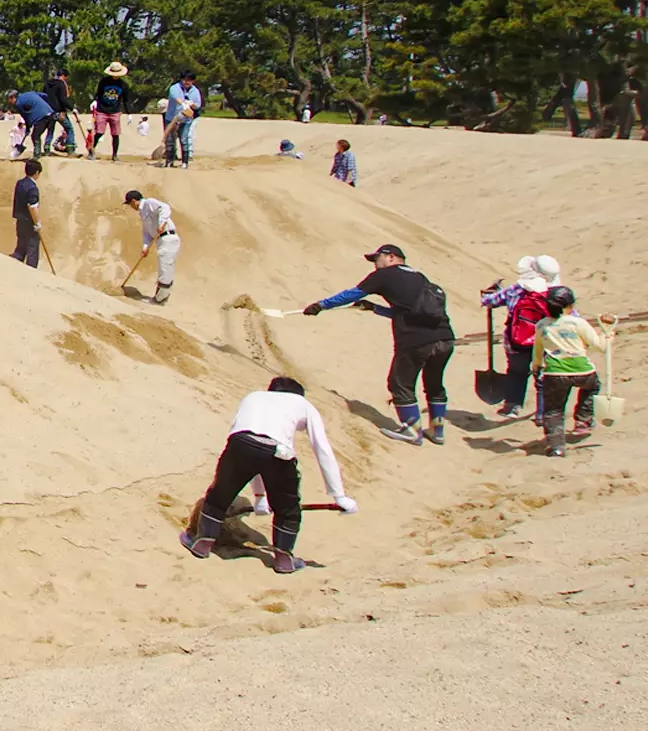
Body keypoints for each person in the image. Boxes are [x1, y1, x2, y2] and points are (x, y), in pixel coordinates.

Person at [178, 377, 355, 574]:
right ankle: (284, 560)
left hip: (240, 443)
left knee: (219, 495)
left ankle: (202, 544)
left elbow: (254, 449)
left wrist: (260, 498)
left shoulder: (253, 397)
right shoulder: (302, 404)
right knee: (287, 510)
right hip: (278, 451)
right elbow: (322, 449)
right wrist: (339, 496)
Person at [301, 243, 458, 444]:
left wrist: (321, 305)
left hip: (415, 340)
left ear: (391, 257)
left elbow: (353, 293)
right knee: (434, 383)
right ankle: (437, 431)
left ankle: (411, 430)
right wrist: (375, 308)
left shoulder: (385, 275)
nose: (375, 264)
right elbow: (407, 311)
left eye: (377, 259)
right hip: (445, 338)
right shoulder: (419, 277)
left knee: (399, 382)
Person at [530, 285, 613, 458]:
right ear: (569, 306)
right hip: (583, 370)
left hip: (554, 374)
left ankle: (556, 447)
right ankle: (583, 419)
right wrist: (608, 333)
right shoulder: (578, 323)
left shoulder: (542, 325)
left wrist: (536, 366)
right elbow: (600, 347)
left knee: (553, 410)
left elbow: (537, 351)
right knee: (592, 387)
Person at [479, 256, 559, 416]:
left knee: (516, 372)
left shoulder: (518, 289)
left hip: (517, 340)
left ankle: (512, 406)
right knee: (544, 376)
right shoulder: (555, 292)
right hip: (546, 341)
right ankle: (542, 413)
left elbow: (488, 301)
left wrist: (492, 292)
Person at [123, 188, 178, 303]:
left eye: (130, 204)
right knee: (163, 265)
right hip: (160, 239)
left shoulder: (149, 203)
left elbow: (165, 208)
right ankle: (160, 297)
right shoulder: (142, 213)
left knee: (165, 266)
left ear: (134, 201)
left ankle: (161, 299)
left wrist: (162, 223)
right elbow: (147, 233)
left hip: (168, 237)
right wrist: (145, 247)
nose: (131, 207)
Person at [164, 73, 204, 167]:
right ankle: (169, 161)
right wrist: (183, 103)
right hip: (172, 117)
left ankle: (185, 162)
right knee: (170, 140)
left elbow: (198, 105)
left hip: (186, 119)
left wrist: (191, 104)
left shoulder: (195, 91)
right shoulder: (175, 87)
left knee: (184, 139)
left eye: (189, 80)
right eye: (185, 80)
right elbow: (175, 97)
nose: (187, 82)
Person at [11, 158, 45, 268]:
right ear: (36, 173)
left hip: (20, 221)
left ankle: (14, 268)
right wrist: (37, 223)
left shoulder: (20, 183)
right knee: (32, 250)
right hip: (29, 223)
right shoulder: (32, 188)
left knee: (21, 247)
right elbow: (32, 207)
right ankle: (31, 274)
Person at [13, 86, 56, 158]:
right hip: (51, 113)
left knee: (35, 136)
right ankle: (46, 150)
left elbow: (26, 116)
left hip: (41, 117)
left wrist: (27, 128)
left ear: (13, 97)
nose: (8, 102)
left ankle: (37, 155)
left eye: (8, 99)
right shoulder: (30, 93)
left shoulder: (18, 103)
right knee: (49, 132)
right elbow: (45, 95)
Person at [43, 69, 77, 155]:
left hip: (49, 111)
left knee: (50, 130)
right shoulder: (61, 84)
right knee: (69, 129)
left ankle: (46, 149)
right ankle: (70, 150)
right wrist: (71, 108)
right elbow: (63, 99)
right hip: (59, 111)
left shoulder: (47, 83)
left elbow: (43, 96)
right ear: (63, 76)